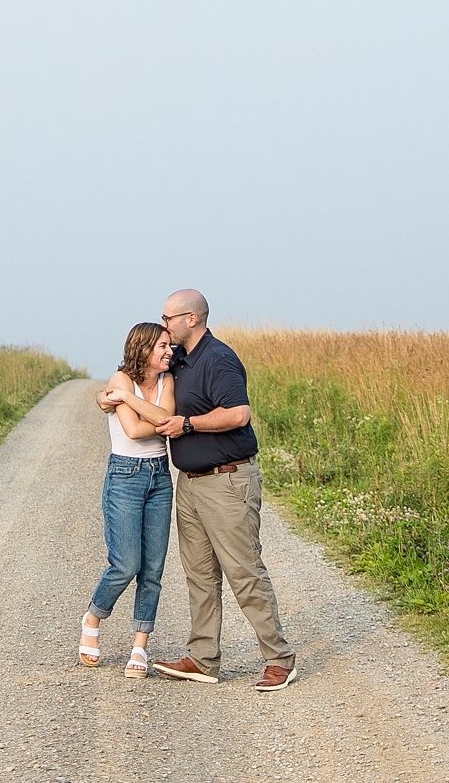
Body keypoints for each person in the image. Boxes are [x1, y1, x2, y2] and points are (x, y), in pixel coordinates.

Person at [102, 288, 297, 690]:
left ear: (191, 318)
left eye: (168, 318)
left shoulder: (219, 359)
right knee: (200, 576)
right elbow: (140, 386)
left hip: (227, 481)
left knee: (244, 572)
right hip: (189, 484)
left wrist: (189, 424)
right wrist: (110, 396)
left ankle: (279, 659)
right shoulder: (181, 361)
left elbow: (239, 413)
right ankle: (204, 657)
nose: (164, 325)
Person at [81, 320, 175, 677]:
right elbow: (136, 431)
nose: (169, 351)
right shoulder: (120, 380)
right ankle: (93, 617)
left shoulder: (166, 381)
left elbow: (166, 416)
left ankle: (140, 646)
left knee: (153, 569)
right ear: (143, 349)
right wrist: (144, 408)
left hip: (160, 476)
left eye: (169, 345)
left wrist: (129, 402)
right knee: (126, 564)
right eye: (162, 346)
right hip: (125, 476)